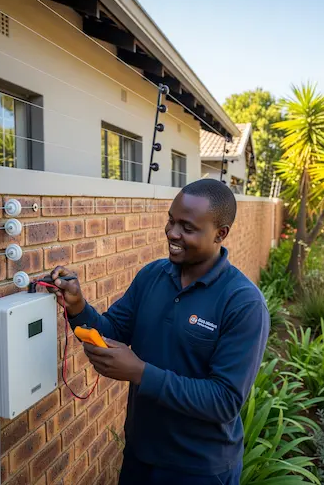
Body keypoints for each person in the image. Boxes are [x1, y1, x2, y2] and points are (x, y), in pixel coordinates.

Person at [49, 179, 269, 485]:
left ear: (220, 233)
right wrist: (77, 306)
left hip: (199, 470)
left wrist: (141, 373)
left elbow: (224, 400)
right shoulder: (153, 275)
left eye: (187, 227)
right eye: (171, 220)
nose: (172, 233)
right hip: (140, 456)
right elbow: (113, 330)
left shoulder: (243, 303)